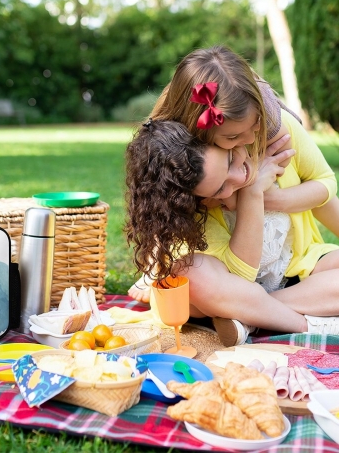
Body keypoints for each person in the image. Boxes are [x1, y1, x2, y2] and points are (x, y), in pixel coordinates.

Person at [128, 45, 339, 305]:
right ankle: (264, 308)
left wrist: (269, 198)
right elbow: (164, 214)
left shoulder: (277, 132)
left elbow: (326, 184)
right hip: (229, 275)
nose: (250, 139)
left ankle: (261, 310)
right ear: (200, 133)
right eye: (232, 138)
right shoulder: (192, 170)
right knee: (192, 287)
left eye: (256, 124)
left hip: (297, 262)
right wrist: (249, 193)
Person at [124, 109, 339, 346]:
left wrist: (267, 197)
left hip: (294, 272)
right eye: (218, 189)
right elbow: (241, 278)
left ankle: (249, 319)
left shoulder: (270, 134)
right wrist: (252, 193)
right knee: (190, 273)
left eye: (230, 160)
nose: (239, 177)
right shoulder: (190, 195)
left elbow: (325, 190)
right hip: (227, 289)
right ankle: (307, 324)